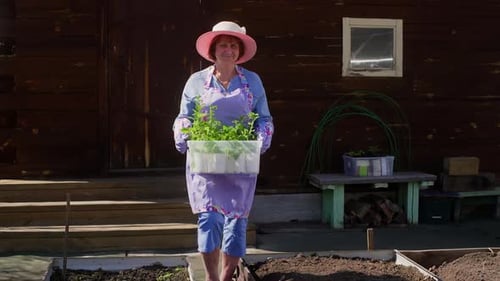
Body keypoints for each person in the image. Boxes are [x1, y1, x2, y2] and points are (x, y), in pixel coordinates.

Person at [172, 21, 274, 281]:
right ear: (213, 50)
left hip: (241, 159)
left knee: (236, 223)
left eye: (232, 45)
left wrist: (262, 138)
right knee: (209, 219)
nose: (228, 49)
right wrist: (183, 134)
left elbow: (264, 118)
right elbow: (184, 116)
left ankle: (227, 276)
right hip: (206, 159)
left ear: (239, 51)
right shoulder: (196, 82)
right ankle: (211, 277)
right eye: (223, 45)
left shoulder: (252, 80)